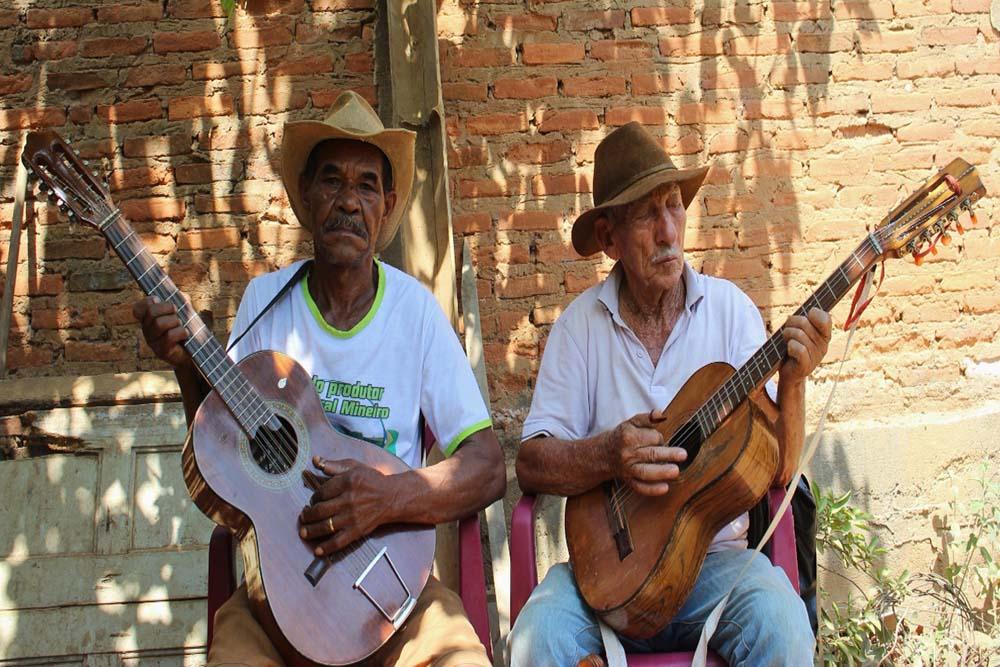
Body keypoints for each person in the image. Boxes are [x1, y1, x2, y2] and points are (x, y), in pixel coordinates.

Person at [133, 91, 504, 667]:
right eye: (331, 181)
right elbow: (218, 457)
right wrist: (186, 369)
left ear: (388, 203)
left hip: (393, 600)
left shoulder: (416, 314)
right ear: (306, 197)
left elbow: (488, 467)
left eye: (365, 186)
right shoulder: (265, 303)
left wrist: (386, 498)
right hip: (275, 605)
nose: (347, 202)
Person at [508, 122, 830, 666]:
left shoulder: (730, 313)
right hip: (604, 584)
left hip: (715, 571)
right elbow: (532, 463)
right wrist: (608, 455)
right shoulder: (579, 329)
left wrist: (793, 382)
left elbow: (778, 472)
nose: (667, 231)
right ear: (608, 238)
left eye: (674, 206)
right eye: (645, 215)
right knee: (537, 638)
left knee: (783, 626)